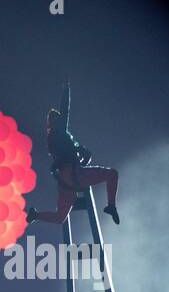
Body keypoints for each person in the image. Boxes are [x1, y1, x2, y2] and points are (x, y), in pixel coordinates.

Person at [27, 80, 120, 225]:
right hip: (75, 175)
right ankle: (111, 206)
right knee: (112, 174)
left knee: (60, 217)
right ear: (56, 121)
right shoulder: (60, 132)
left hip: (65, 183)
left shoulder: (53, 139)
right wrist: (66, 88)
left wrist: (81, 154)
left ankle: (35, 215)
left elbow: (71, 156)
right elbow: (65, 110)